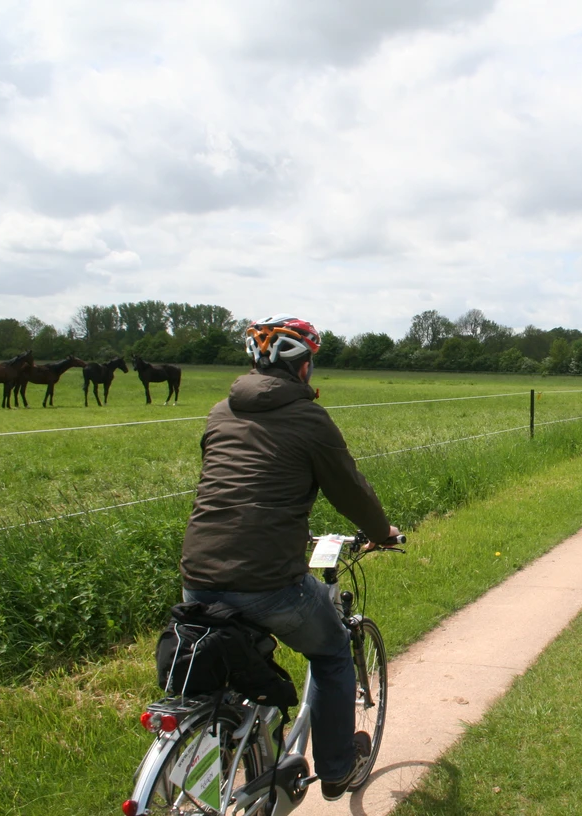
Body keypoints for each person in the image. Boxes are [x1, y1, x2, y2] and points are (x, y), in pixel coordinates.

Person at [180, 313, 399, 801]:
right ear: (303, 370)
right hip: (269, 583)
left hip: (197, 576)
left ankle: (242, 755)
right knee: (331, 652)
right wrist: (382, 533)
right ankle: (338, 767)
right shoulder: (309, 418)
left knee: (238, 666)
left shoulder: (220, 412)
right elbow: (350, 492)